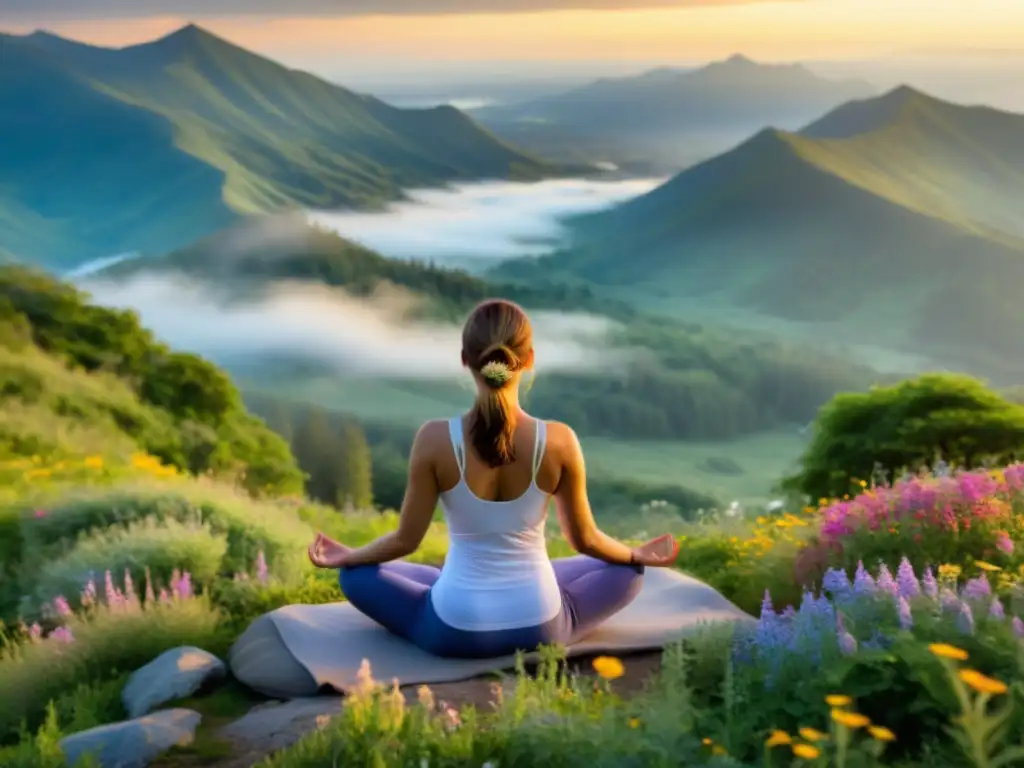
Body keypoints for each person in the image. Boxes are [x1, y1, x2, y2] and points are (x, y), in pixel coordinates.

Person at [307, 298, 680, 659]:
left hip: (454, 628)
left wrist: (351, 556)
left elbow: (406, 540)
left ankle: (440, 584)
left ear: (465, 360)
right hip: (541, 626)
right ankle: (470, 585)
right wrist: (635, 554)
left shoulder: (435, 439)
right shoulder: (560, 440)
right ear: (529, 360)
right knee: (626, 571)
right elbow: (585, 540)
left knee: (355, 577)